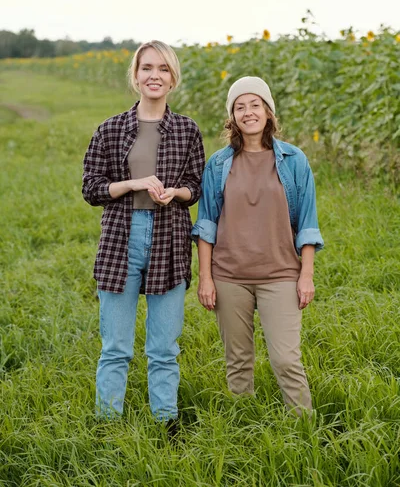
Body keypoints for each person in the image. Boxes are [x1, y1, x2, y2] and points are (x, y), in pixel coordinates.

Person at [82, 40, 205, 426]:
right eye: (147, 68)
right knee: (116, 346)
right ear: (135, 76)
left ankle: (166, 421)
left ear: (173, 78)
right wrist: (133, 184)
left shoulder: (186, 130)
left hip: (169, 240)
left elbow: (195, 186)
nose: (155, 75)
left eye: (163, 69)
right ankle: (107, 424)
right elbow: (91, 188)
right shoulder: (110, 128)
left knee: (164, 347)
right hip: (122, 239)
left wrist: (176, 193)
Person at [192, 76, 323, 416]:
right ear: (232, 117)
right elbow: (205, 224)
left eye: (255, 105)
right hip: (229, 276)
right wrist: (205, 278)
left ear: (268, 111)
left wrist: (305, 275)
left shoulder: (294, 160)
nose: (248, 112)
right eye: (240, 107)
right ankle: (244, 431)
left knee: (286, 359)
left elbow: (307, 224)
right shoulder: (218, 164)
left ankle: (304, 430)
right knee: (237, 362)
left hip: (280, 274)